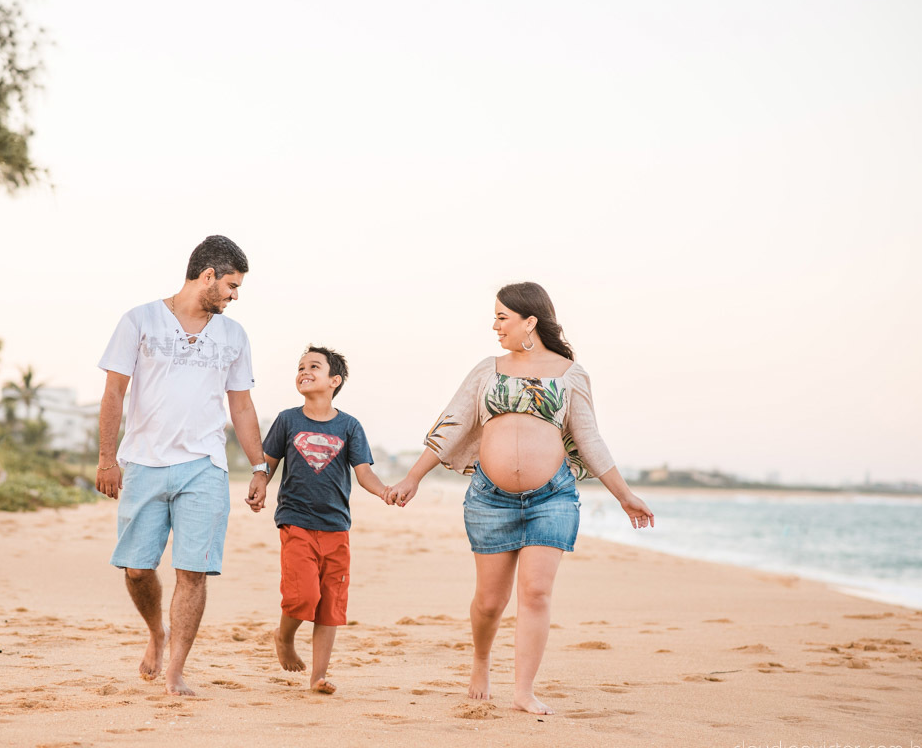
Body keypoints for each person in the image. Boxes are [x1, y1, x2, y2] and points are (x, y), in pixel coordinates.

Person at [385, 282, 654, 715]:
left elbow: (589, 439)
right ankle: (481, 659)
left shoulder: (571, 374)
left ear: (530, 321)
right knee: (490, 602)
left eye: (502, 317)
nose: (494, 326)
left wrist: (624, 496)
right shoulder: (487, 369)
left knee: (536, 593)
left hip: (552, 498)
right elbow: (452, 424)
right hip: (491, 499)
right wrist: (413, 478)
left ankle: (523, 690)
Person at [95, 235, 270, 697]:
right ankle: (156, 631)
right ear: (207, 275)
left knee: (193, 571)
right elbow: (114, 393)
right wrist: (106, 458)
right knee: (136, 568)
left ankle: (176, 669)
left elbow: (243, 406)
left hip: (205, 466)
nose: (235, 296)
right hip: (144, 463)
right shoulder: (140, 320)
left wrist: (259, 467)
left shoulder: (234, 335)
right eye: (232, 285)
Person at [250, 345, 390, 694]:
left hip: (337, 527)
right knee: (303, 596)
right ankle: (284, 638)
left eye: (314, 366)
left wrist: (385, 491)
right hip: (296, 521)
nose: (304, 371)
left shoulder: (349, 426)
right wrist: (259, 484)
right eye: (300, 367)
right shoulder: (288, 420)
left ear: (334, 380)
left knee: (330, 604)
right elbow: (267, 462)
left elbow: (364, 474)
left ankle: (319, 676)